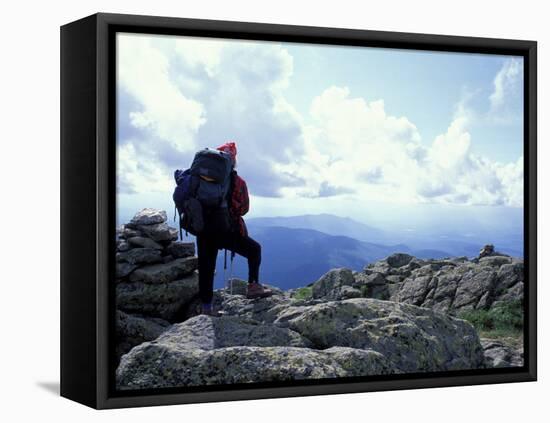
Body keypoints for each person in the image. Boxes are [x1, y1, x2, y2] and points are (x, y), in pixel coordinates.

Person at [196, 141, 272, 316]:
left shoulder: (199, 178)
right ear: (233, 160)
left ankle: (206, 307)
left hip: (202, 229)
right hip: (226, 230)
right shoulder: (237, 182)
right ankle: (253, 286)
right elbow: (243, 208)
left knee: (206, 266)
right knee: (254, 250)